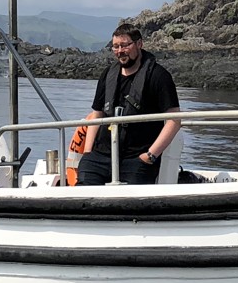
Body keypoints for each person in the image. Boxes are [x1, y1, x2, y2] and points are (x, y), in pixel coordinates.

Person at [73, 24, 180, 186]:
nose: (120, 51)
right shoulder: (108, 74)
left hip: (137, 158)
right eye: (116, 46)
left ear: (139, 44)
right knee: (82, 189)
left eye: (125, 45)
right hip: (100, 156)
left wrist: (150, 156)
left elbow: (174, 119)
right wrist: (88, 152)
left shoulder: (159, 76)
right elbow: (97, 113)